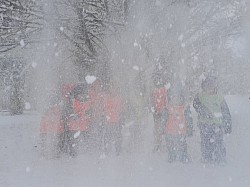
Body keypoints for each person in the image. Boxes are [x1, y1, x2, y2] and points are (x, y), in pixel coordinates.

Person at [193, 76, 232, 164]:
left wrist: (228, 124)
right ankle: (207, 157)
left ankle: (220, 157)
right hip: (204, 124)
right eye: (207, 86)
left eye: (212, 86)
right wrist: (202, 110)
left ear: (215, 86)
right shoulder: (201, 96)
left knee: (218, 142)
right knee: (205, 142)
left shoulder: (219, 97)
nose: (209, 89)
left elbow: (225, 111)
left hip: (217, 124)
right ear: (204, 87)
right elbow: (195, 104)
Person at [165, 88, 193, 163]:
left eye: (178, 98)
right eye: (173, 98)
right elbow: (163, 119)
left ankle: (184, 156)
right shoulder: (167, 108)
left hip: (181, 131)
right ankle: (172, 155)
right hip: (169, 131)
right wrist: (162, 129)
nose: (176, 101)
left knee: (183, 144)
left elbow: (189, 119)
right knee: (170, 145)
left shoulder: (184, 109)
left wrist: (190, 129)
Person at [66, 83, 93, 156]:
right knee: (73, 142)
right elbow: (69, 113)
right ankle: (73, 155)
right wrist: (73, 116)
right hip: (74, 127)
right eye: (79, 94)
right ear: (76, 94)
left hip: (85, 126)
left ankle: (86, 153)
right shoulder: (72, 102)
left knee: (85, 142)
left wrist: (88, 115)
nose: (81, 96)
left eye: (83, 94)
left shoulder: (88, 102)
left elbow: (90, 112)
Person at [102, 83, 124, 156]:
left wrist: (121, 116)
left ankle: (118, 150)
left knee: (118, 136)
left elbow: (122, 109)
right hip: (108, 121)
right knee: (107, 136)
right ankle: (107, 150)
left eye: (115, 88)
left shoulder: (119, 98)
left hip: (117, 120)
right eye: (112, 87)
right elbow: (103, 108)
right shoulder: (105, 97)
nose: (113, 89)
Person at [151, 77, 168, 152]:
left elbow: (165, 101)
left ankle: (159, 143)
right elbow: (152, 101)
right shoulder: (161, 90)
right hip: (158, 112)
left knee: (160, 128)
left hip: (161, 112)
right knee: (158, 128)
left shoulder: (163, 90)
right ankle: (158, 144)